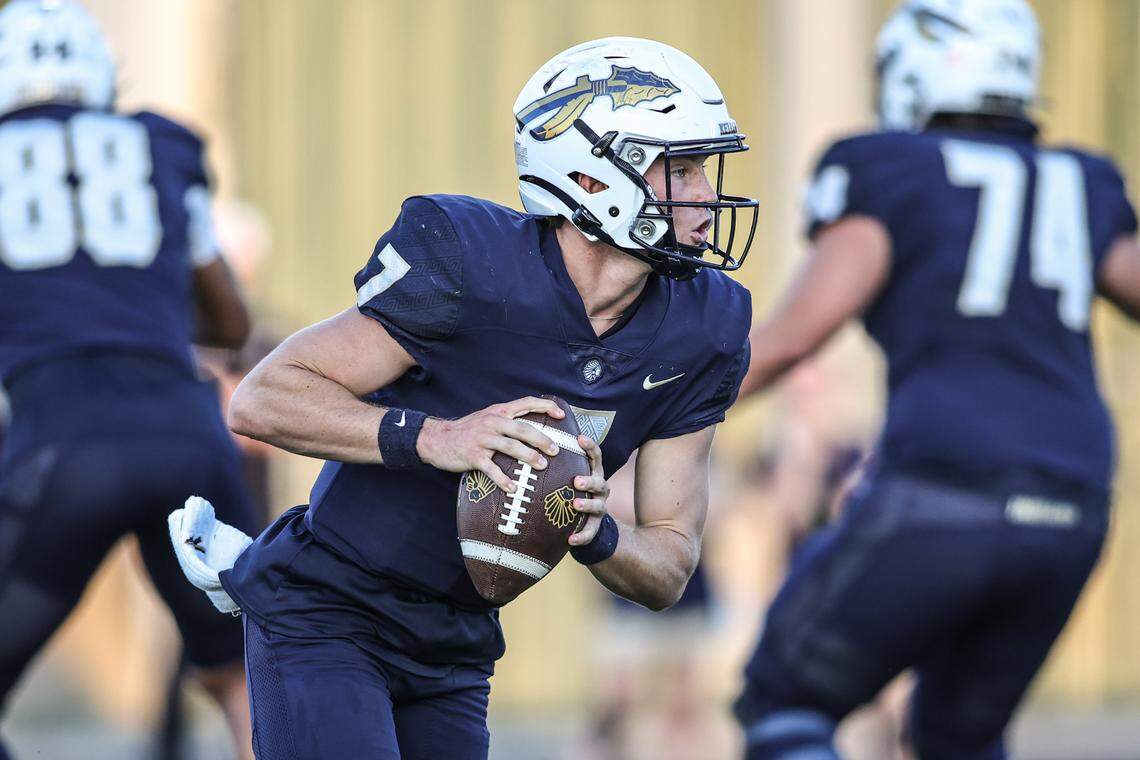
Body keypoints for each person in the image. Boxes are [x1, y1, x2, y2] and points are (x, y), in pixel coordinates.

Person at [195, 36, 755, 760]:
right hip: (329, 607)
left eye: (704, 168)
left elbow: (671, 559)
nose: (706, 193)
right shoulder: (470, 261)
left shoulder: (704, 326)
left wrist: (597, 534)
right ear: (589, 179)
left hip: (455, 644)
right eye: (678, 168)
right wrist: (436, 437)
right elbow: (263, 398)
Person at [732, 1, 1140, 758]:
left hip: (946, 484)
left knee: (786, 699)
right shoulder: (1082, 180)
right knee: (957, 735)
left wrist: (657, 407)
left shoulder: (888, 169)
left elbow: (795, 338)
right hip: (1073, 501)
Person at [0, 1, 257, 758]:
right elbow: (231, 325)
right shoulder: (160, 145)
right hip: (188, 432)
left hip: (62, 441)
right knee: (246, 674)